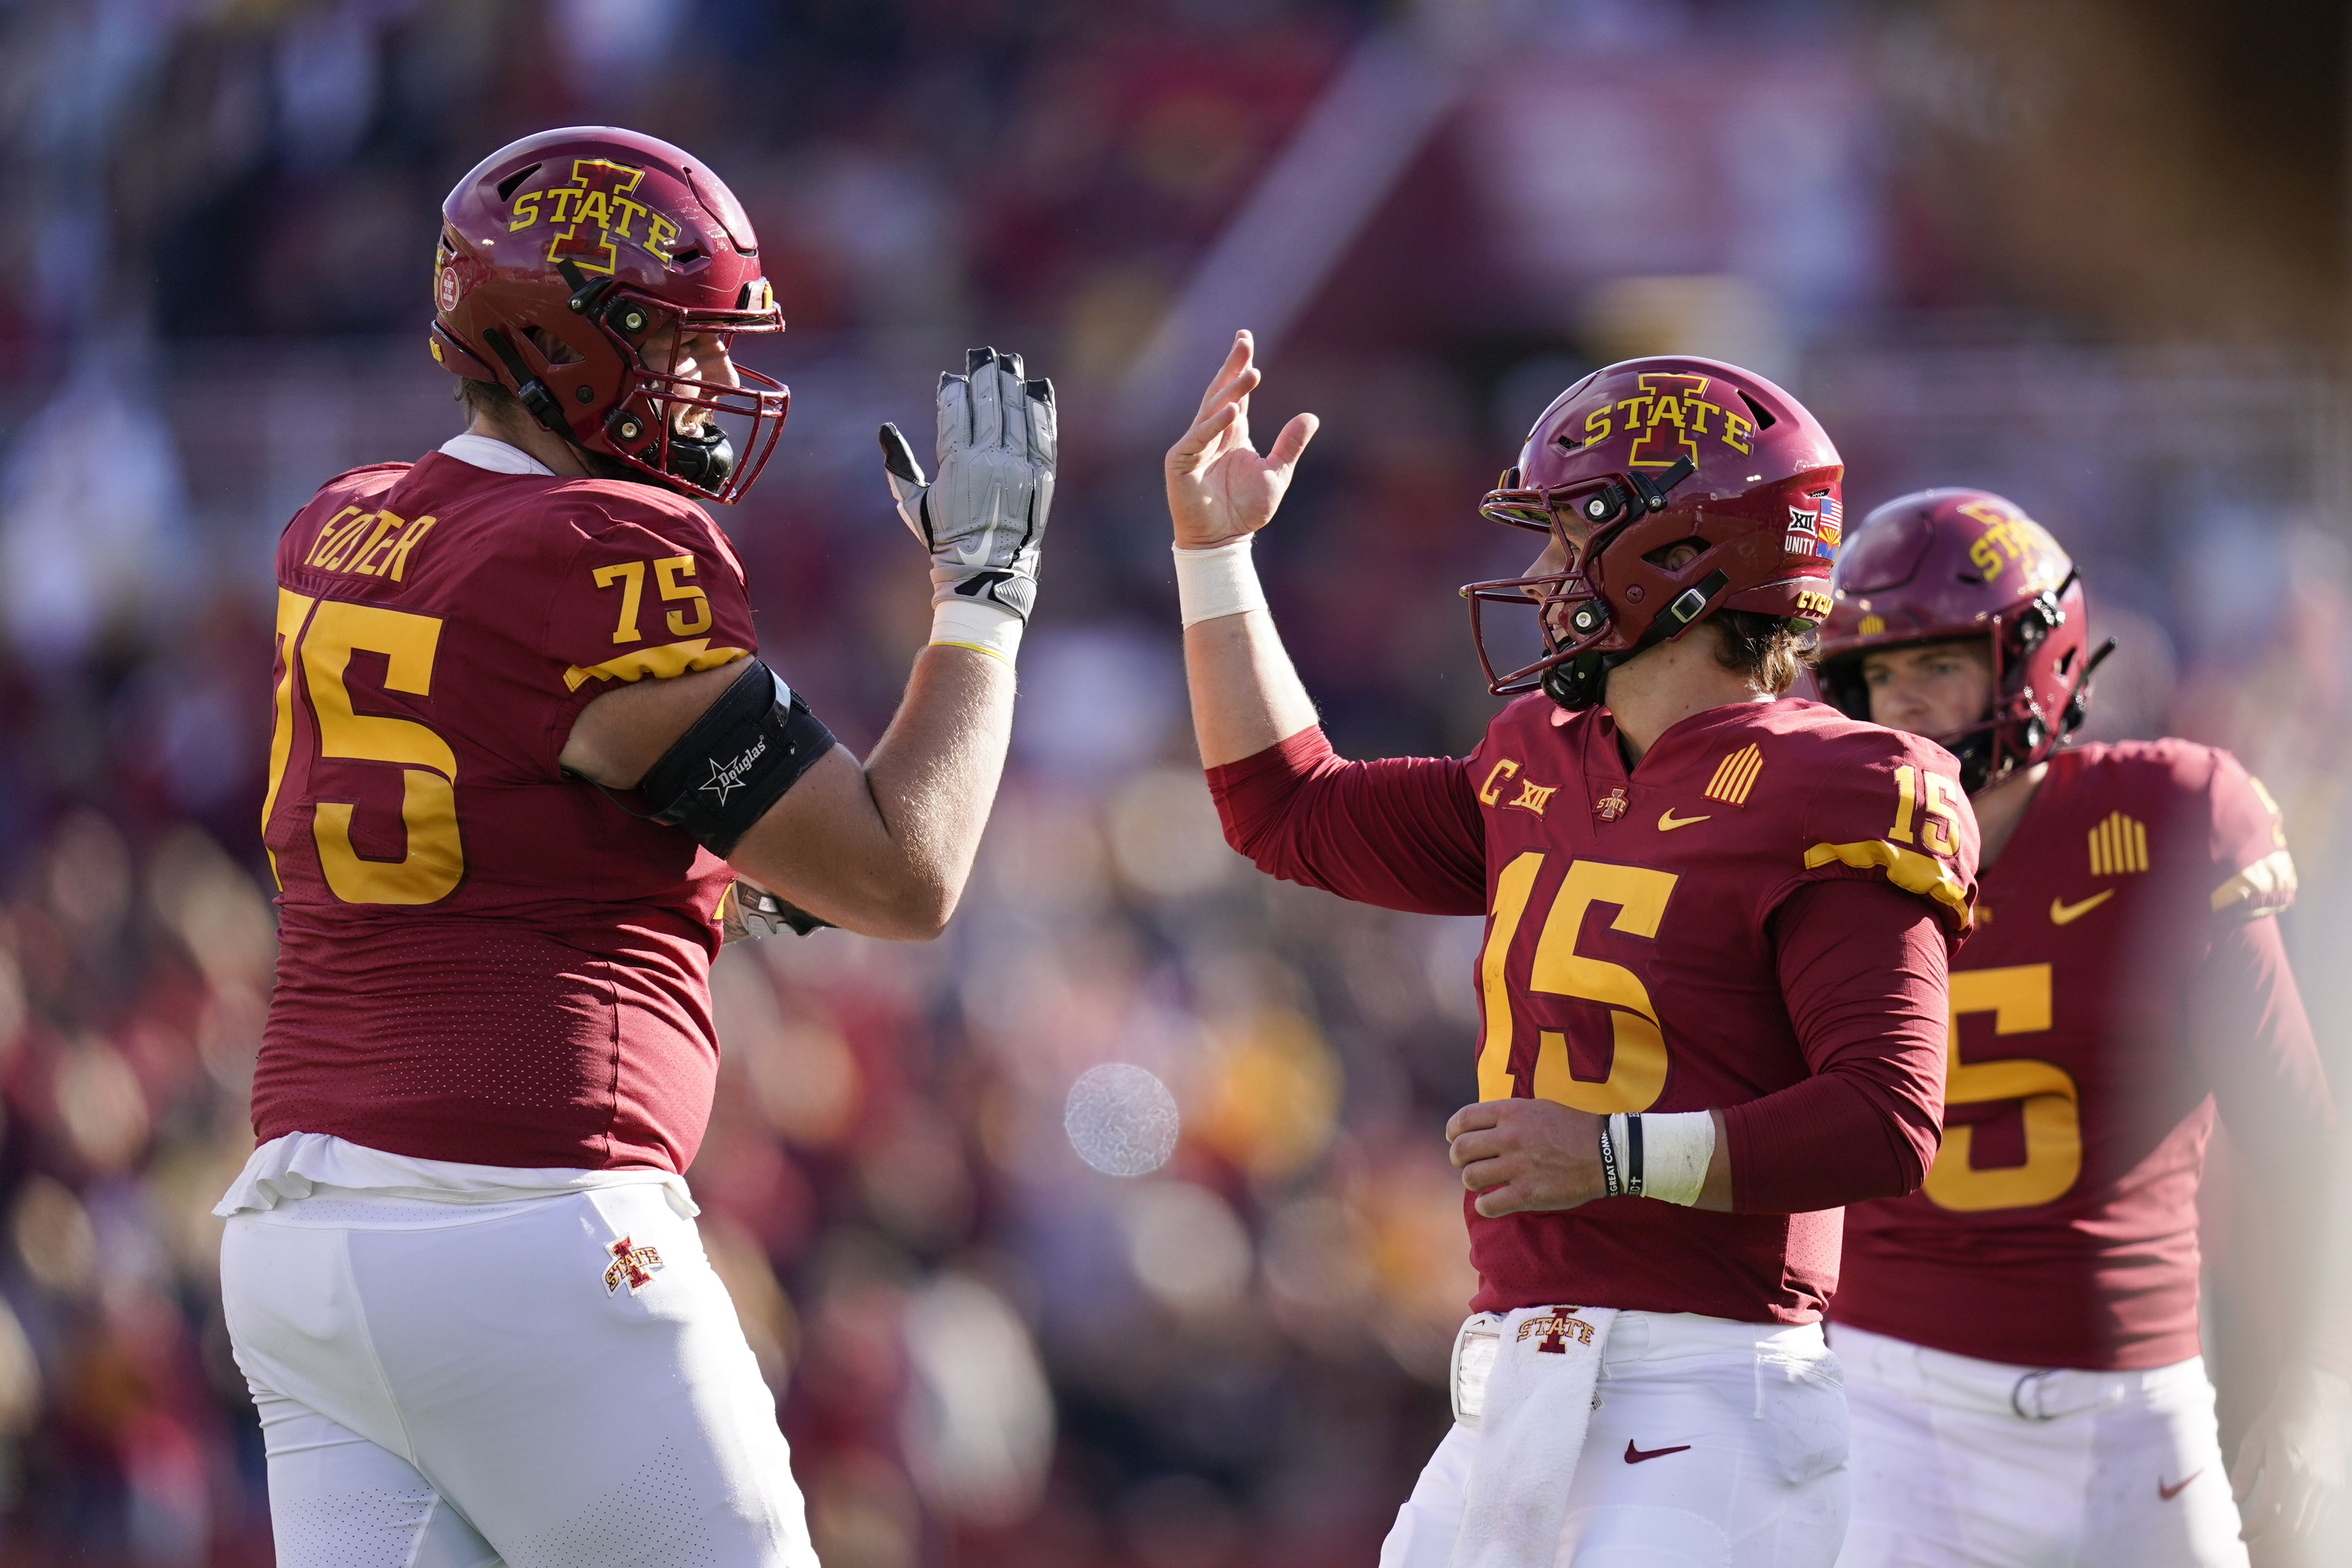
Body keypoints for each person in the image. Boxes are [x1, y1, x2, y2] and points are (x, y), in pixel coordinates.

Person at [216, 126, 1056, 1568]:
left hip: (299, 1232)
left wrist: (719, 881)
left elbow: (508, 817)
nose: (715, 382)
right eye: (680, 340)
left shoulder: (339, 527)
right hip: (523, 1218)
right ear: (564, 335)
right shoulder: (605, 547)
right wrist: (981, 599)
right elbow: (904, 873)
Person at [1167, 333, 1978, 1568]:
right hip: (1517, 1375)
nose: (1542, 569)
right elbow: (1286, 811)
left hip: (1710, 1385)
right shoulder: (1539, 756)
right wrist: (1216, 559)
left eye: (1569, 530)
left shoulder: (1842, 785)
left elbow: (1886, 1119)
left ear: (1678, 555)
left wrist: (1609, 1154)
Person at [1814, 489, 2347, 1567]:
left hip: (2132, 1412)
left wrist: (2320, 1389)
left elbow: (2298, 1146)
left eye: (1935, 667)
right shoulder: (1811, 849)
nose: (1903, 708)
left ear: (2031, 665)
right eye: (1877, 677)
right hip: (1883, 1407)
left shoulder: (2166, 822)